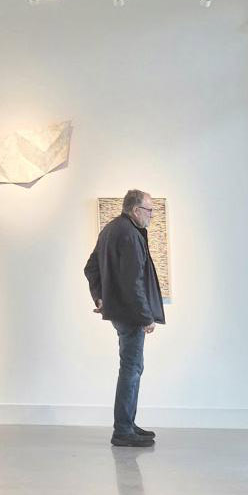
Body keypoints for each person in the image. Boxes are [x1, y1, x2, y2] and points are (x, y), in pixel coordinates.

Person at [85, 189, 165, 447]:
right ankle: (122, 429)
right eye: (149, 210)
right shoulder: (129, 234)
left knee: (132, 367)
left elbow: (90, 268)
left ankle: (127, 423)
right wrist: (146, 317)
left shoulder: (111, 229)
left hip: (119, 312)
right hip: (130, 314)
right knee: (131, 368)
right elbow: (134, 282)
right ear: (135, 210)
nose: (151, 215)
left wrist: (100, 297)